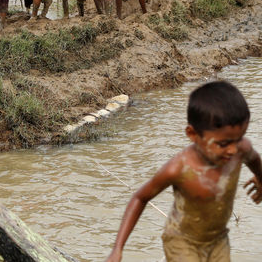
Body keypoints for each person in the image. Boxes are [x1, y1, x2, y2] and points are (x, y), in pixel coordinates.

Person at [106, 80, 262, 262]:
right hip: (181, 241)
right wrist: (118, 249)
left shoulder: (240, 150)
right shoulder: (179, 168)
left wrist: (260, 178)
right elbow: (140, 198)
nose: (233, 150)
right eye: (223, 143)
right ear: (193, 135)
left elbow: (254, 159)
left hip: (218, 239)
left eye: (239, 139)